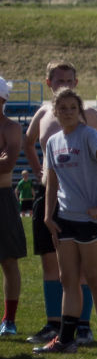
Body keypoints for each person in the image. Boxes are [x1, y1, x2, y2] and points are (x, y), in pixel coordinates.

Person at [23, 60, 97, 346]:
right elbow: (51, 179)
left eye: (72, 108)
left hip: (92, 217)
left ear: (80, 110)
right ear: (55, 110)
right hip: (64, 216)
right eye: (62, 108)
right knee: (67, 279)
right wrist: (47, 215)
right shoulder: (54, 140)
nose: (67, 112)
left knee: (92, 277)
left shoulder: (91, 133)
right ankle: (63, 338)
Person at [0, 79, 25, 336]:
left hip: (2, 197)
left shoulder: (11, 128)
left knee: (8, 261)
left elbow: (7, 164)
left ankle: (9, 319)